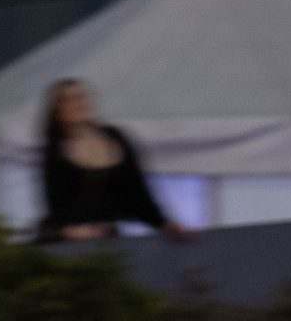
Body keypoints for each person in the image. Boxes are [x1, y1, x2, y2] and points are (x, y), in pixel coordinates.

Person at [35, 78, 192, 244]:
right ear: (57, 110)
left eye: (81, 97)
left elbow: (137, 194)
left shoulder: (116, 138)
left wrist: (165, 224)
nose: (77, 104)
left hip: (108, 238)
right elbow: (55, 202)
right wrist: (70, 231)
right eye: (68, 100)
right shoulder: (54, 151)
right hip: (70, 244)